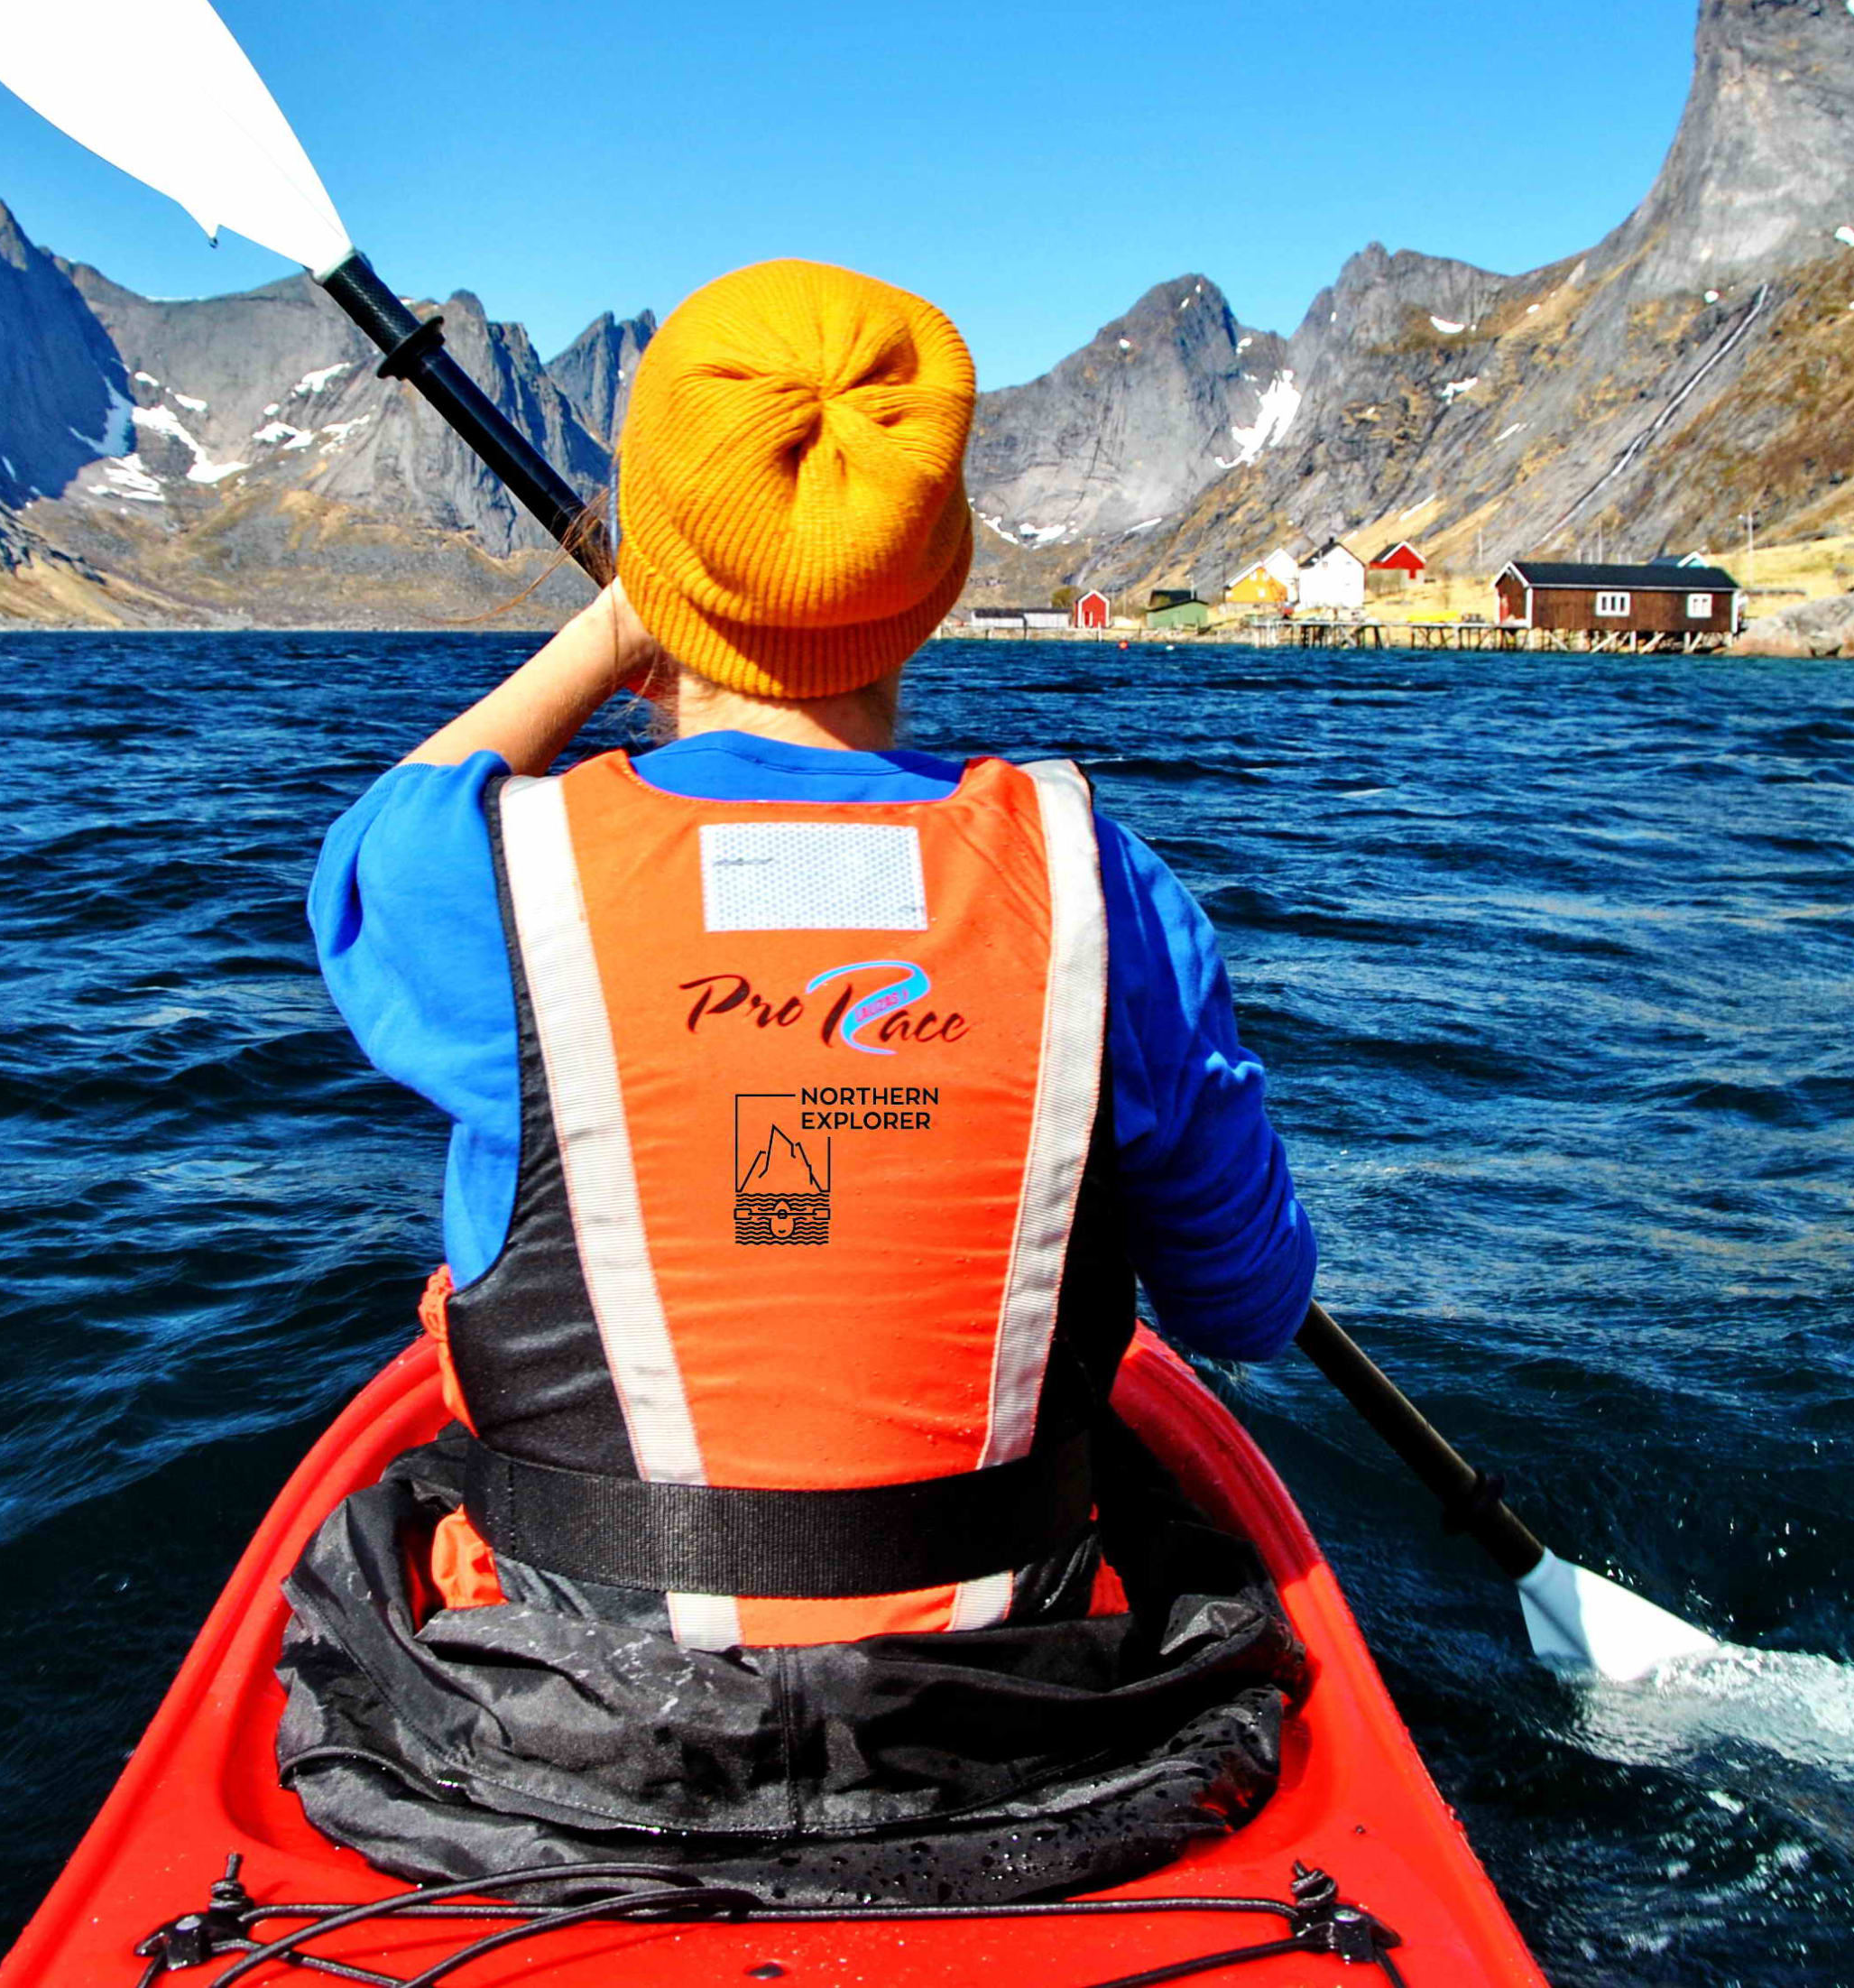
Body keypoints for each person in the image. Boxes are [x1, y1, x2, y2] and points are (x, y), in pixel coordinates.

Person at [281, 257, 1319, 1899]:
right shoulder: (1106, 891)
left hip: (558, 1727)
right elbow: (1248, 1309)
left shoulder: (480, 877)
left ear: (659, 571)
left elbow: (362, 854)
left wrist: (618, 620)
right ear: (936, 581)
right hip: (1019, 1720)